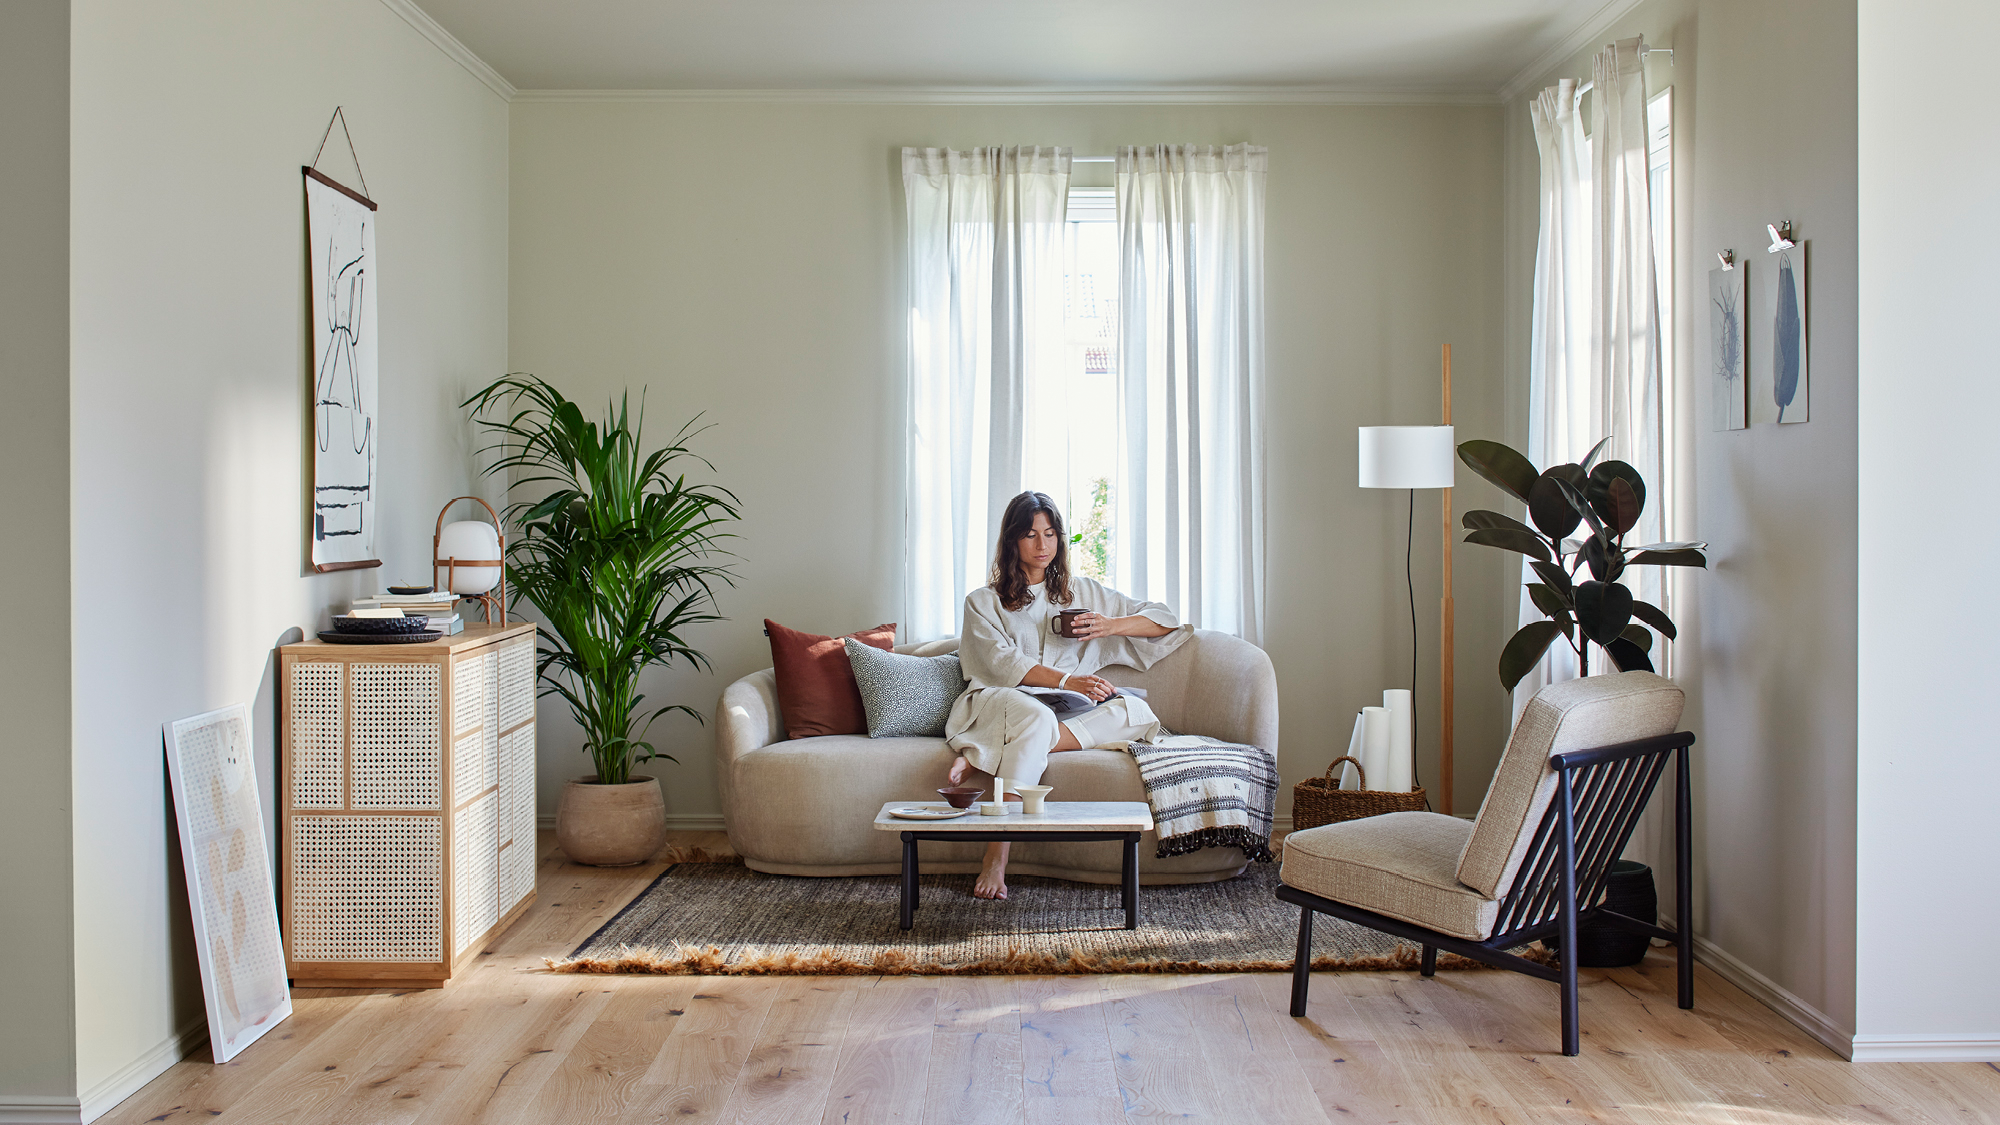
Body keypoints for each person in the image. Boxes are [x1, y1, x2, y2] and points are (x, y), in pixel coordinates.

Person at [944, 490, 1192, 899]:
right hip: (1001, 702)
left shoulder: (1082, 594)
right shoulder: (983, 602)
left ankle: (984, 752)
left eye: (1050, 533)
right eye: (1030, 535)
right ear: (1012, 542)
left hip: (1064, 711)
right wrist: (1065, 681)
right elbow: (1001, 664)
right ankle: (996, 857)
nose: (1042, 545)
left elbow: (1165, 622)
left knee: (1135, 711)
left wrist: (1110, 626)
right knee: (1036, 718)